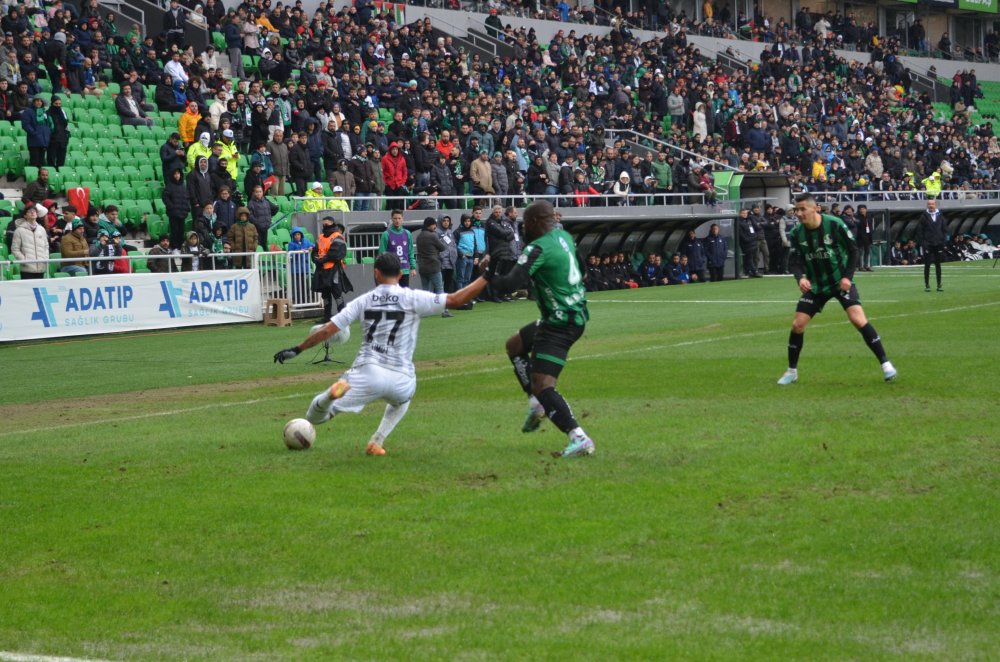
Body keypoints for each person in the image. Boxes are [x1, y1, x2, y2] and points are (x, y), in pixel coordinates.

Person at [272, 251, 491, 456]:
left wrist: (298, 349)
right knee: (403, 400)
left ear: (375, 272)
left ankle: (331, 395)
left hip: (368, 372)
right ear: (400, 273)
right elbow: (456, 300)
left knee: (315, 417)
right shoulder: (413, 298)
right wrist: (486, 276)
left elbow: (329, 329)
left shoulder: (363, 300)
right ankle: (377, 440)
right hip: (401, 377)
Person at [481, 200, 595, 458]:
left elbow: (510, 284)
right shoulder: (564, 236)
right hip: (572, 315)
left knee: (544, 385)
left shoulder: (537, 247)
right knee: (515, 345)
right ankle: (536, 405)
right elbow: (584, 271)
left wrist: (487, 274)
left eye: (525, 223)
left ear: (533, 223)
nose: (523, 228)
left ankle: (578, 437)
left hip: (559, 322)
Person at [777, 194, 896, 385]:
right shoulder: (797, 233)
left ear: (815, 208)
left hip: (840, 282)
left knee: (857, 319)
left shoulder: (834, 224)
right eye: (796, 210)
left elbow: (853, 250)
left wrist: (848, 277)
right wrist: (800, 278)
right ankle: (792, 371)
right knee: (797, 325)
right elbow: (795, 262)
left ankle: (886, 365)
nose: (798, 214)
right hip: (816, 286)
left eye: (802, 209)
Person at [312, 217, 353, 319]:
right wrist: (316, 258)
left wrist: (321, 260)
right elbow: (315, 251)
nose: (325, 226)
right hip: (322, 270)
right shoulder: (320, 237)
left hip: (333, 269)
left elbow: (336, 254)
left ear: (332, 224)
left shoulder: (337, 237)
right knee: (325, 294)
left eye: (327, 224)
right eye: (324, 224)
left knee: (337, 293)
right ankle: (327, 317)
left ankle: (343, 316)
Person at [415, 216, 453, 318]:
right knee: (440, 289)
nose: (435, 226)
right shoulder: (432, 236)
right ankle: (444, 311)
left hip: (422, 267)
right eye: (434, 224)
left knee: (425, 291)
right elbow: (442, 247)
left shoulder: (419, 236)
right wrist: (435, 251)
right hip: (433, 266)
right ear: (429, 225)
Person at [378, 209, 416, 287]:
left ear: (402, 219)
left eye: (399, 218)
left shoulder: (407, 233)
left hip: (404, 270)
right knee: (392, 295)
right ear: (392, 219)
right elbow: (382, 253)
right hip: (391, 271)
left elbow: (410, 251)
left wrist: (413, 267)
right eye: (395, 218)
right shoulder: (386, 234)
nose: (397, 221)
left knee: (404, 295)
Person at [916, 199, 947, 292]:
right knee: (927, 265)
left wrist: (943, 241)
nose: (931, 206)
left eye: (932, 204)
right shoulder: (923, 217)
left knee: (938, 265)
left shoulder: (940, 215)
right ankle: (927, 285)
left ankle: (939, 284)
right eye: (929, 204)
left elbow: (944, 229)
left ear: (935, 205)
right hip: (928, 244)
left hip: (938, 244)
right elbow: (920, 231)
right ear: (927, 205)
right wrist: (923, 243)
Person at [11, 205, 49, 279]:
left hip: (41, 267)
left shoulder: (42, 229)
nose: (32, 212)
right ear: (25, 215)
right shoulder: (19, 230)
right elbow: (15, 249)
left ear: (37, 214)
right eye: (29, 211)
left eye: (34, 211)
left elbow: (46, 246)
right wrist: (24, 261)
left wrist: (45, 258)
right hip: (27, 269)